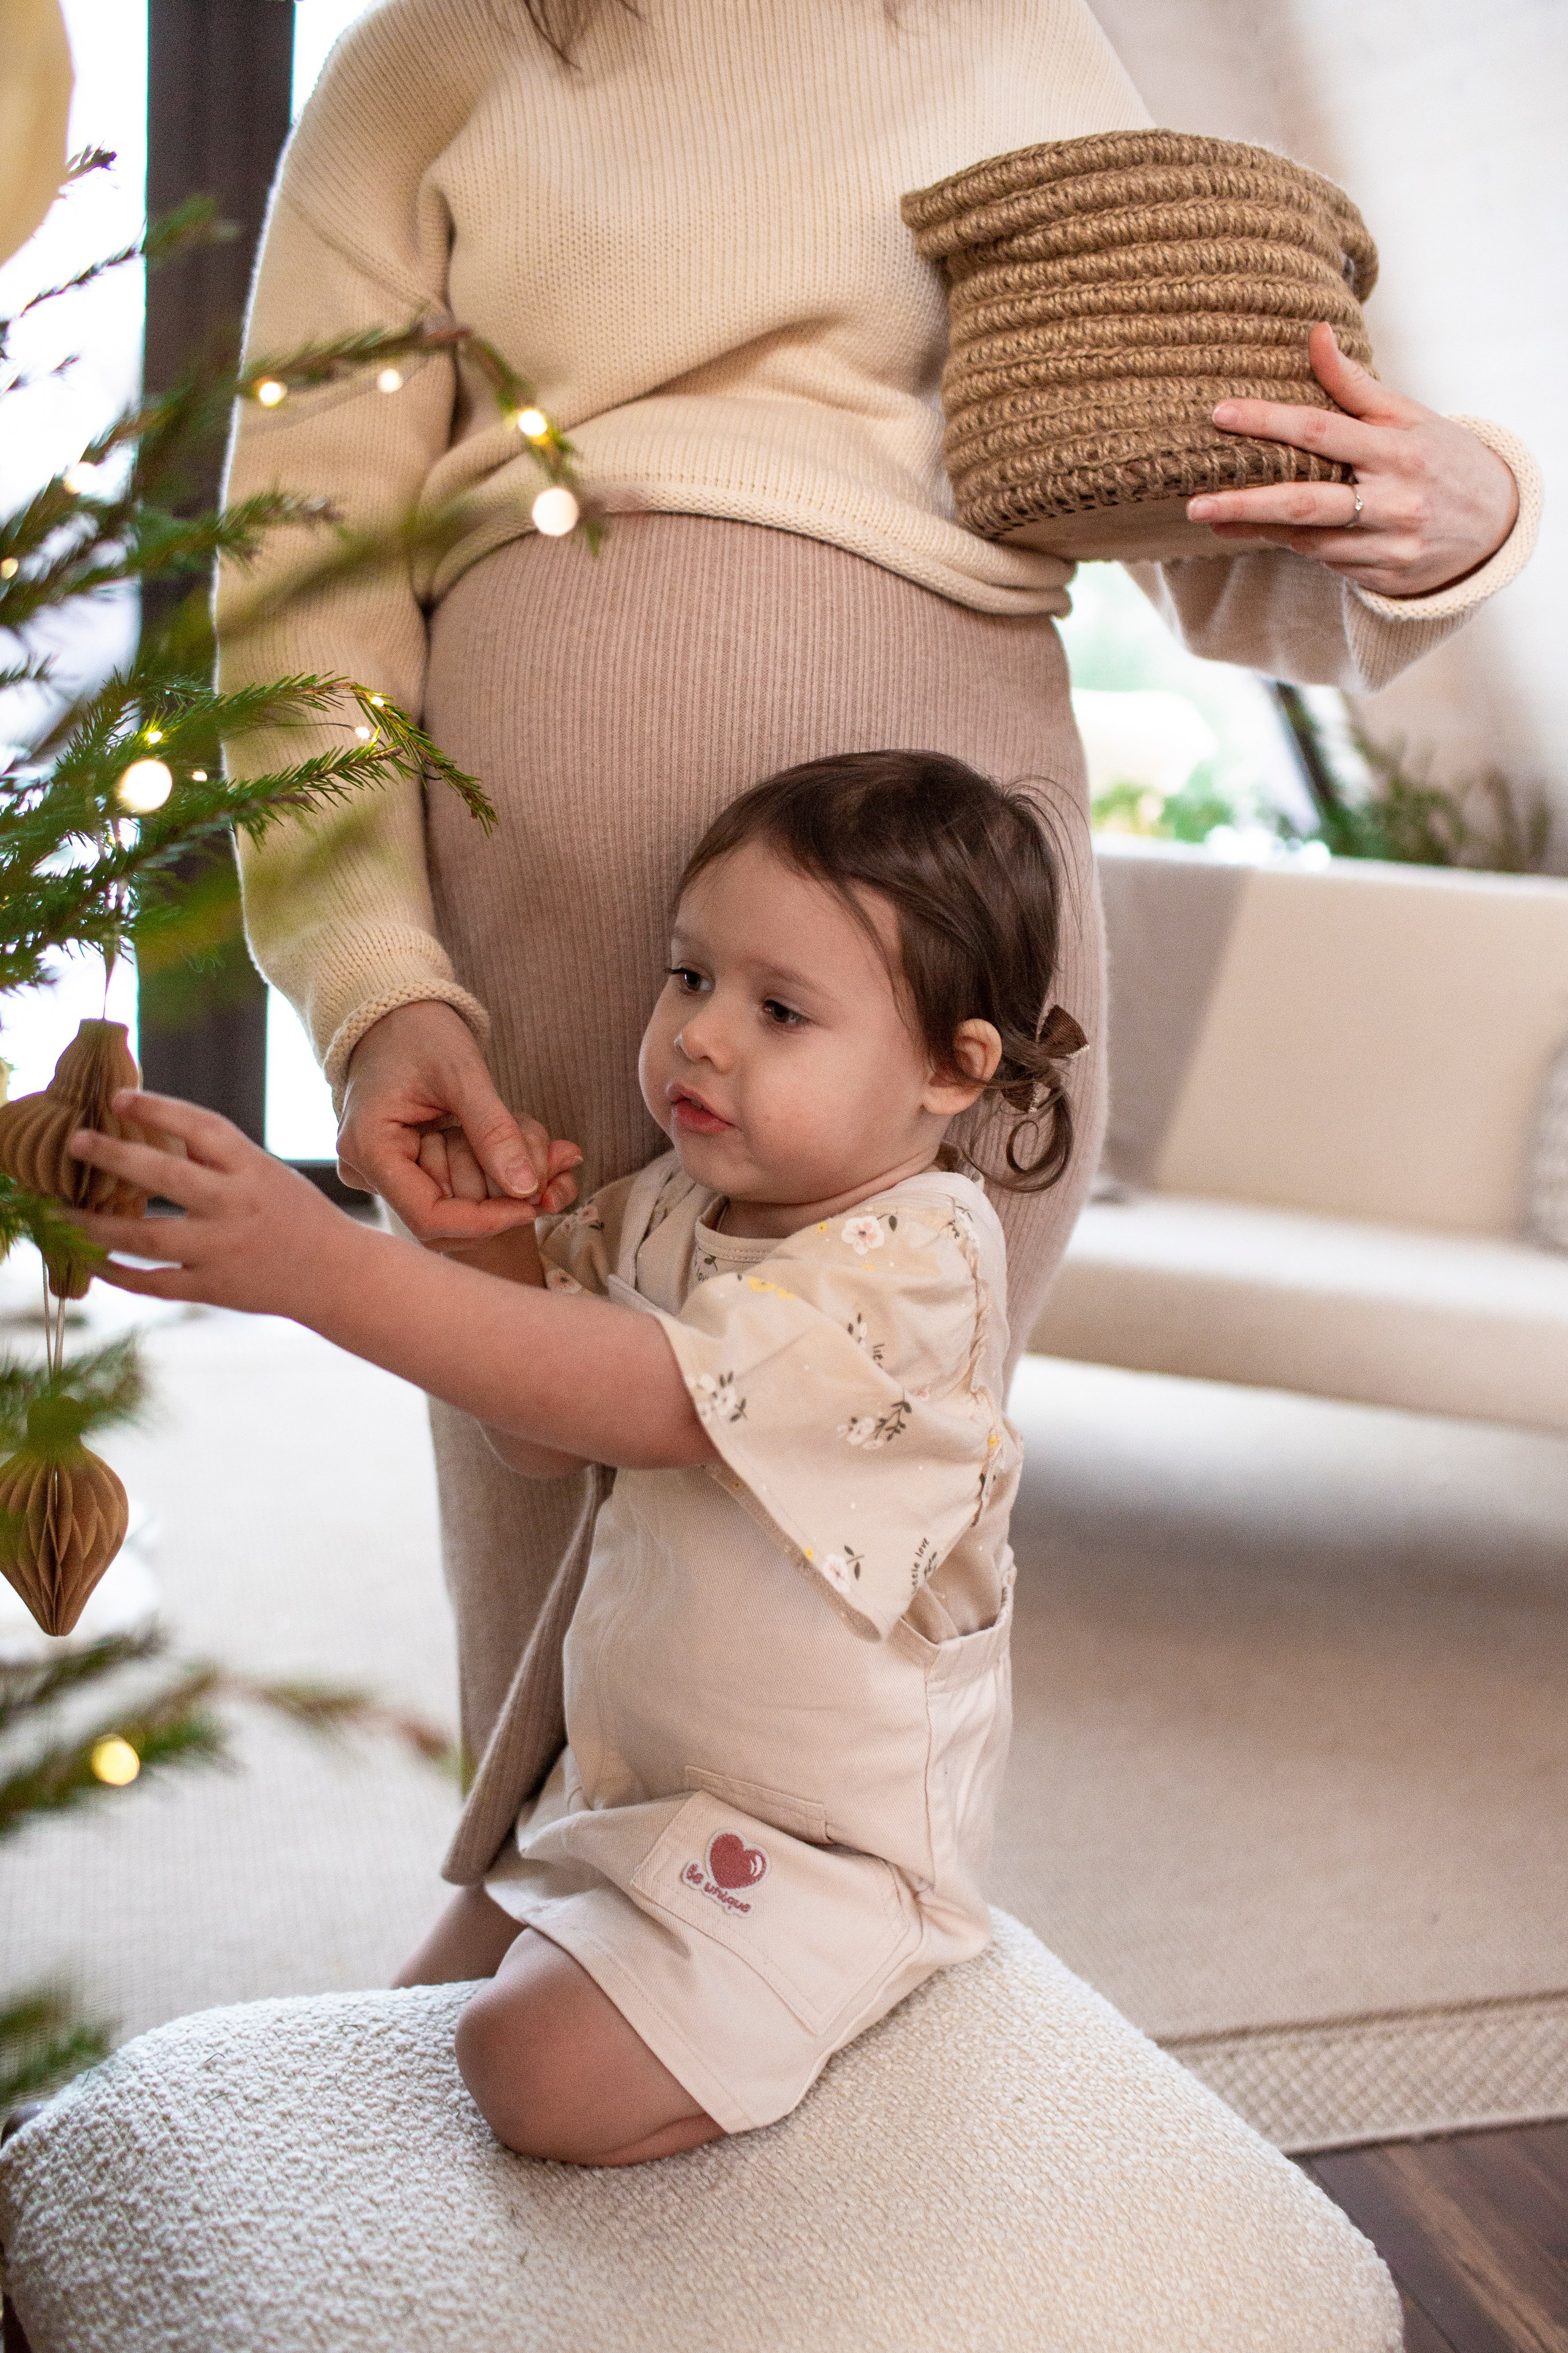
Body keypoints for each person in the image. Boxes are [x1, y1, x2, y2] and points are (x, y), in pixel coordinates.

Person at [219, 0, 1539, 1849]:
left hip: (953, 957)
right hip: (539, 942)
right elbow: (299, 593)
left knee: (857, 1550)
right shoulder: (433, 58)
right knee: (545, 1520)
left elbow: (1234, 515)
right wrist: (370, 984)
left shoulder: (1021, 36)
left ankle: (813, 2004)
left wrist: (1457, 508)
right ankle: (534, 1987)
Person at [72, 751, 1080, 2166]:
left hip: (818, 1851)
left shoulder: (918, 1265)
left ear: (946, 1071)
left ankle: (829, 2057)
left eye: (778, 1009)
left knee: (517, 2062)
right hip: (627, 1787)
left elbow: (652, 1398)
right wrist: (477, 1229)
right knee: (391, 2029)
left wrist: (316, 1265)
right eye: (687, 978)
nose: (702, 1038)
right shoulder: (675, 1202)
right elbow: (538, 1429)